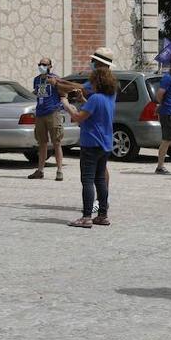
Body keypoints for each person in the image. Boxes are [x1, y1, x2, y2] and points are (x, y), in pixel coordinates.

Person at [67, 65, 117, 228]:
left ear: (97, 82)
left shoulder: (96, 98)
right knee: (100, 180)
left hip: (91, 143)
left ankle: (86, 216)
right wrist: (83, 100)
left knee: (87, 180)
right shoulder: (109, 97)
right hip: (105, 144)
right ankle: (103, 215)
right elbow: (95, 111)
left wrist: (66, 104)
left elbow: (78, 117)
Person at [29, 56, 86, 181]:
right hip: (40, 113)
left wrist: (58, 86)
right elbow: (37, 93)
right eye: (40, 64)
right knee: (42, 143)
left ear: (50, 66)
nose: (41, 66)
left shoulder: (55, 78)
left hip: (53, 112)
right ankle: (40, 170)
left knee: (56, 142)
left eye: (44, 64)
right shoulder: (36, 80)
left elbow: (65, 90)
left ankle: (59, 170)